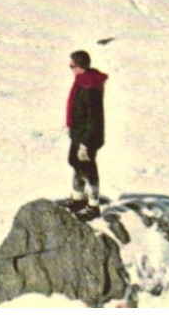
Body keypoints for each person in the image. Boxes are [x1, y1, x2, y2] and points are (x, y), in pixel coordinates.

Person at [65, 49, 109, 214]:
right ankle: (79, 199)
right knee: (75, 162)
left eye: (72, 65)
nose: (71, 68)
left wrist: (85, 143)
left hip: (88, 136)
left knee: (87, 166)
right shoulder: (83, 81)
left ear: (80, 66)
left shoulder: (90, 86)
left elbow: (93, 118)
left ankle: (93, 204)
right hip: (80, 133)